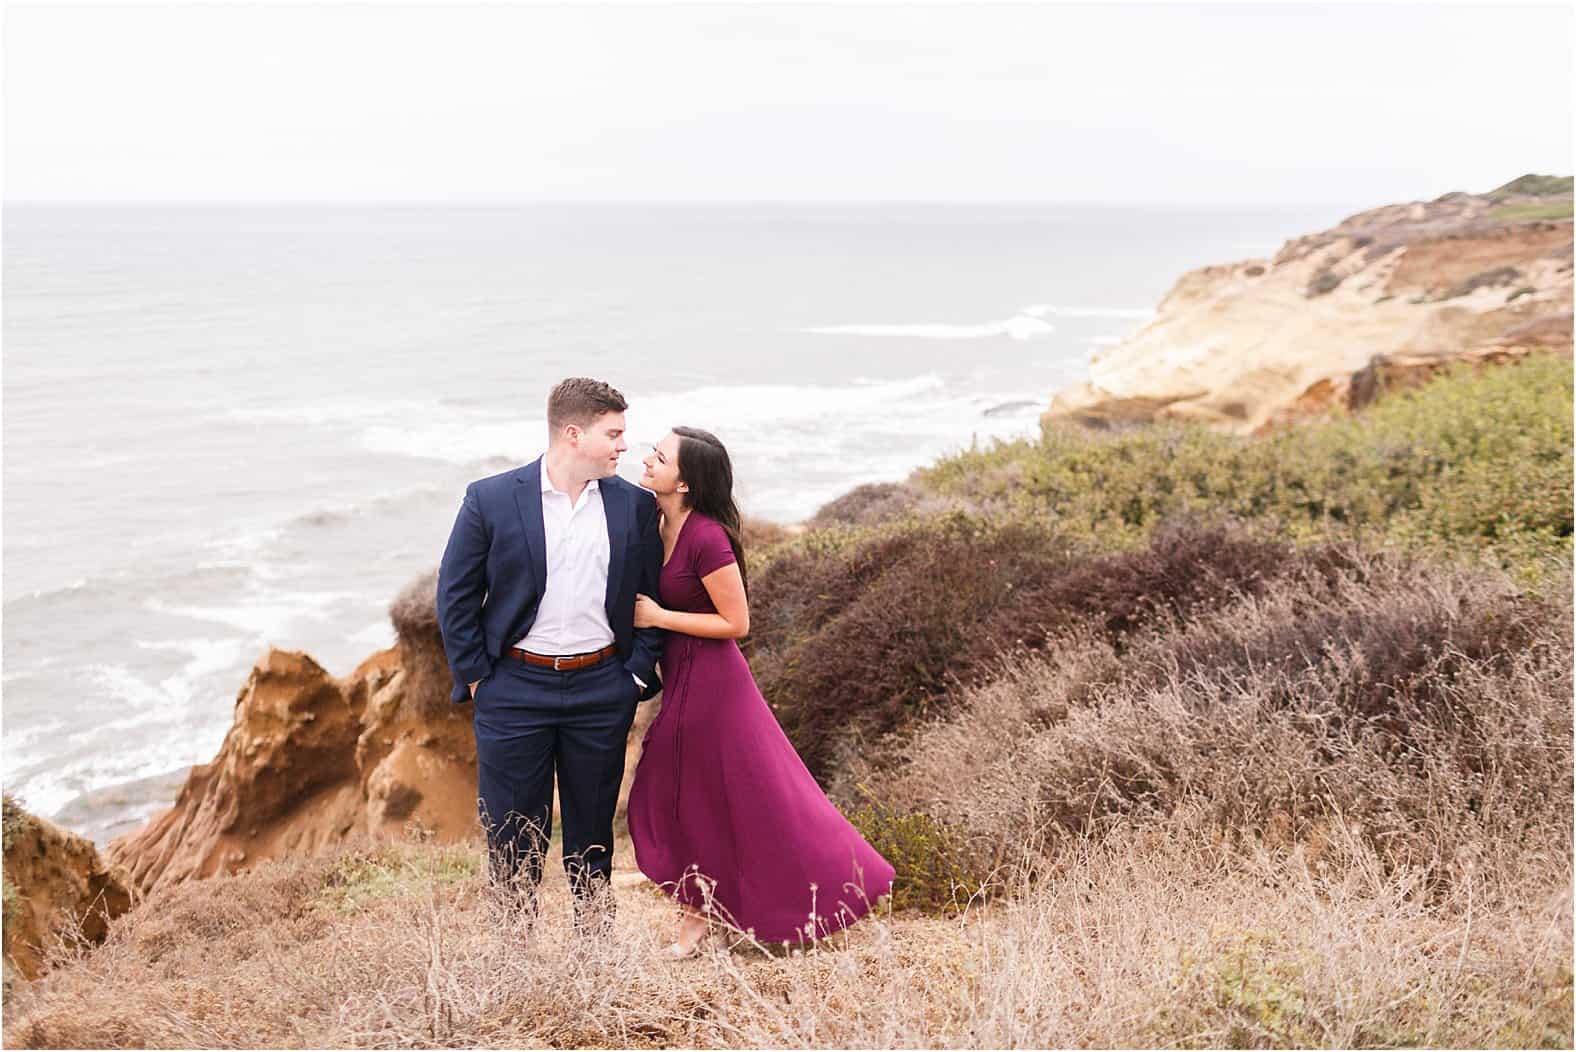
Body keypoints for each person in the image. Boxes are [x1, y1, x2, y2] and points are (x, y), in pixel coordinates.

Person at [626, 426, 896, 958]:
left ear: (684, 482)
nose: (648, 459)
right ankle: (707, 913)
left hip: (713, 685)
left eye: (660, 456)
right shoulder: (656, 524)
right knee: (699, 800)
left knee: (700, 798)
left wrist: (659, 616)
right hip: (680, 681)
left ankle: (833, 887)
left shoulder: (707, 537)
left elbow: (737, 621)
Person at [436, 377, 664, 933]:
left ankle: (594, 952)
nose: (623, 446)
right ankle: (514, 958)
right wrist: (477, 678)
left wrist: (634, 676)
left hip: (601, 688)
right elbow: (455, 593)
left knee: (591, 834)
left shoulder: (634, 506)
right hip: (513, 689)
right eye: (612, 434)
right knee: (513, 833)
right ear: (572, 433)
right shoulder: (490, 498)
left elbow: (653, 595)